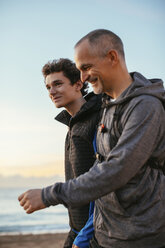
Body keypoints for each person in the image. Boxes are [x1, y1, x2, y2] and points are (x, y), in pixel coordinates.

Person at [19, 30, 165, 248]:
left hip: (141, 237)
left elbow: (116, 170)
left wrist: (49, 195)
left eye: (86, 68)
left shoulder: (146, 106)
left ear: (112, 57)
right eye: (79, 70)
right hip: (106, 235)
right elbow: (101, 164)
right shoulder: (107, 105)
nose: (83, 77)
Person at [18, 58, 101, 248]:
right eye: (48, 87)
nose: (51, 91)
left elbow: (105, 186)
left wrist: (84, 237)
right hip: (76, 230)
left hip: (93, 235)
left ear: (78, 84)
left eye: (57, 84)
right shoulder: (72, 126)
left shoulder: (98, 121)